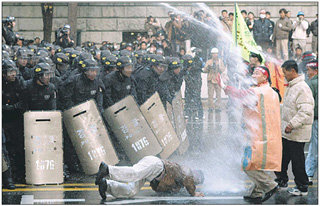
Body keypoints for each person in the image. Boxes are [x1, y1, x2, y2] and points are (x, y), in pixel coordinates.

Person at [217, 65, 281, 203]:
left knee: (249, 165)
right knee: (258, 164)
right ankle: (256, 193)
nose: (254, 75)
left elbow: (241, 96)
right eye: (254, 73)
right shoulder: (272, 92)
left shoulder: (257, 92)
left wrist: (224, 87)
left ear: (265, 76)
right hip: (270, 135)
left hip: (256, 136)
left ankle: (270, 186)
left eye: (257, 73)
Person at [275, 60, 314, 196]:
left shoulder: (302, 88)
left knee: (297, 161)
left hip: (296, 133)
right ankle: (282, 180)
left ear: (292, 71)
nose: (284, 75)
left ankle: (302, 187)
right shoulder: (291, 86)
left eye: (285, 72)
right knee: (281, 158)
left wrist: (292, 124)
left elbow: (306, 111)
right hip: (287, 132)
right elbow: (288, 107)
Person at [95, 156, 205, 199]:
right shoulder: (186, 171)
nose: (196, 179)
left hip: (152, 176)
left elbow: (159, 188)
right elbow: (188, 178)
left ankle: (107, 185)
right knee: (135, 173)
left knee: (131, 191)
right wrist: (193, 193)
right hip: (156, 166)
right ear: (195, 172)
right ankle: (107, 169)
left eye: (198, 181)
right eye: (197, 177)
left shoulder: (178, 184)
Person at [304, 60, 318, 185]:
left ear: (315, 70)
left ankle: (308, 174)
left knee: (314, 148)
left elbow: (310, 104)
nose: (307, 73)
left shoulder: (312, 83)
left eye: (309, 70)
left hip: (316, 120)